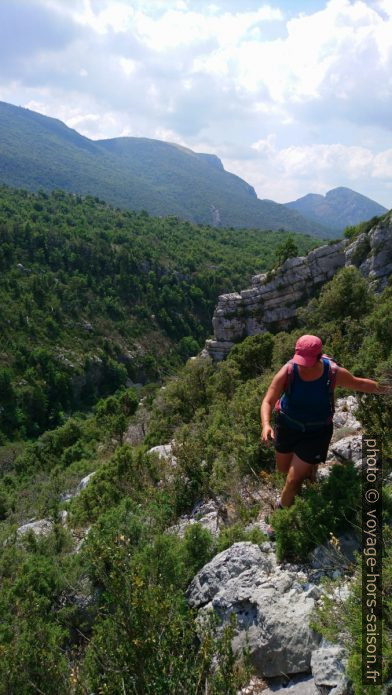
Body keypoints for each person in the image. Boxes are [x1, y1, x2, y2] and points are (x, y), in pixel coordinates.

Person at [260, 334, 386, 536]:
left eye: (308, 363)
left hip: (316, 431)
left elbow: (359, 383)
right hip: (287, 426)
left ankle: (279, 517)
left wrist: (386, 389)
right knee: (283, 470)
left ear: (319, 358)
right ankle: (309, 470)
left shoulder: (333, 373)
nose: (304, 366)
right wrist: (266, 425)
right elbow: (268, 400)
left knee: (292, 480)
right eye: (301, 361)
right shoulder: (289, 371)